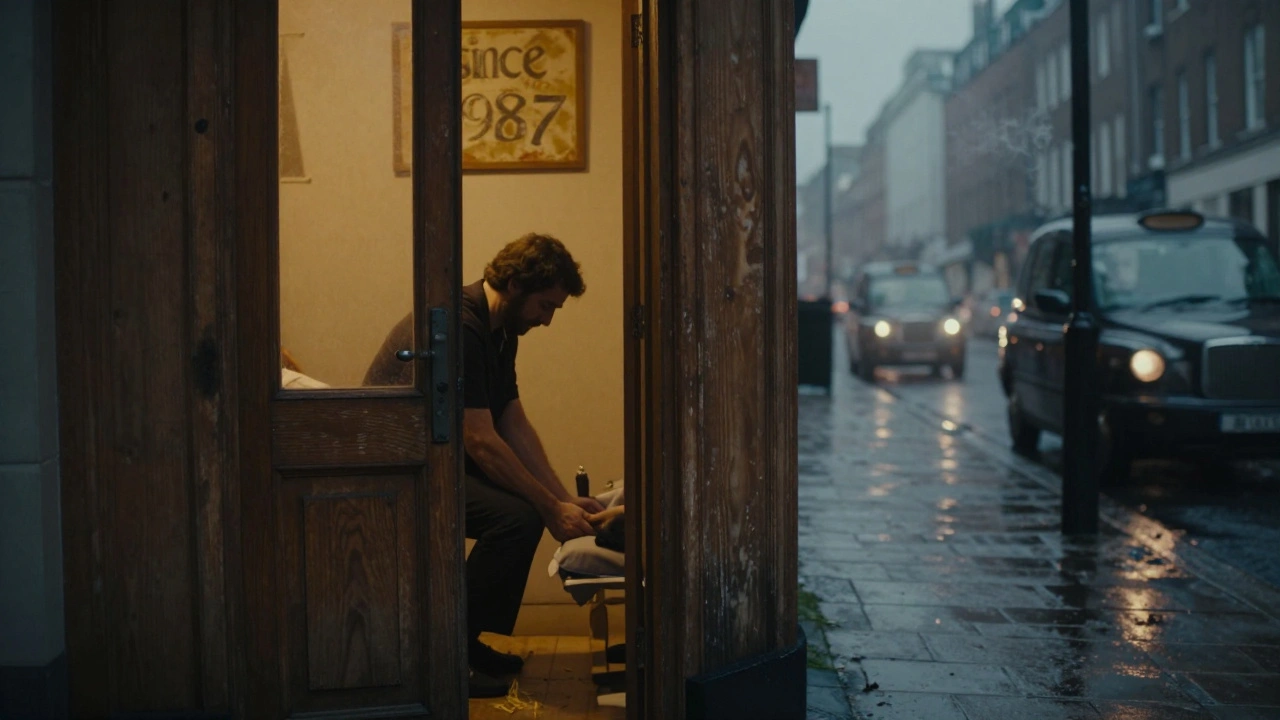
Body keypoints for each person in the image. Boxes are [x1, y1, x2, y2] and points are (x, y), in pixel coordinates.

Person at [364, 233, 604, 698]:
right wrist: (550, 509)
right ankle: (447, 655)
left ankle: (464, 643)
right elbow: (479, 440)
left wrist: (560, 498)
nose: (548, 320)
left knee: (530, 508)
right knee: (517, 518)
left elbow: (511, 420)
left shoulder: (499, 330)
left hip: (433, 459)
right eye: (546, 306)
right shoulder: (463, 324)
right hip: (397, 466)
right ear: (514, 284)